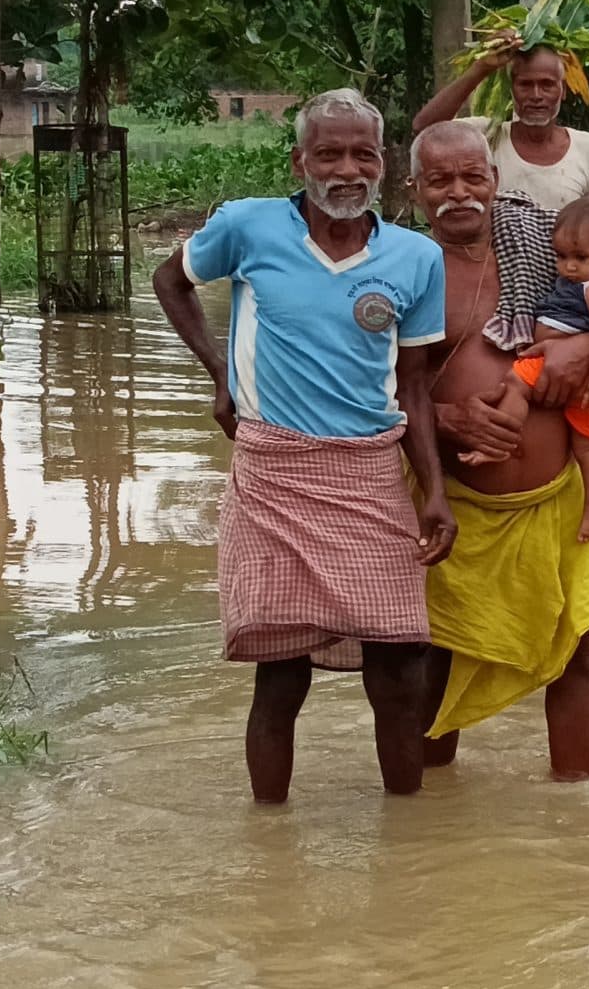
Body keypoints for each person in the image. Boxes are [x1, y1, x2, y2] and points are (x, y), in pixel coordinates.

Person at [151, 87, 459, 805]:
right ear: (300, 160)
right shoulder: (247, 228)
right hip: (272, 473)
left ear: (382, 164)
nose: (346, 169)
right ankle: (269, 833)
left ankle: (406, 837)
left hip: (371, 475)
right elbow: (172, 281)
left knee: (401, 662)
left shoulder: (416, 258)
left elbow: (414, 387)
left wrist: (435, 492)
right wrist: (222, 376)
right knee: (280, 670)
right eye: (328, 153)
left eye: (362, 153)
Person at [409, 121, 589, 780]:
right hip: (451, 506)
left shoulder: (552, 246)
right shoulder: (403, 265)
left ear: (495, 179)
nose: (460, 192)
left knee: (578, 657)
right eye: (440, 180)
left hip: (560, 503)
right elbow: (362, 386)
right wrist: (445, 416)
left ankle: (573, 819)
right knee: (435, 660)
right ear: (415, 190)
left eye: (473, 176)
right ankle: (426, 820)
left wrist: (577, 347)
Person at [492, 197, 589, 543]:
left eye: (581, 258)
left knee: (514, 382)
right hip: (581, 377)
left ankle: (499, 442)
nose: (569, 267)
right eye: (562, 257)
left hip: (567, 366)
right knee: (588, 448)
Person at [409, 42, 589, 211]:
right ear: (511, 89)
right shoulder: (485, 137)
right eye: (525, 85)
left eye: (547, 85)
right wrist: (481, 68)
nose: (536, 96)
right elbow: (425, 128)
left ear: (563, 90)